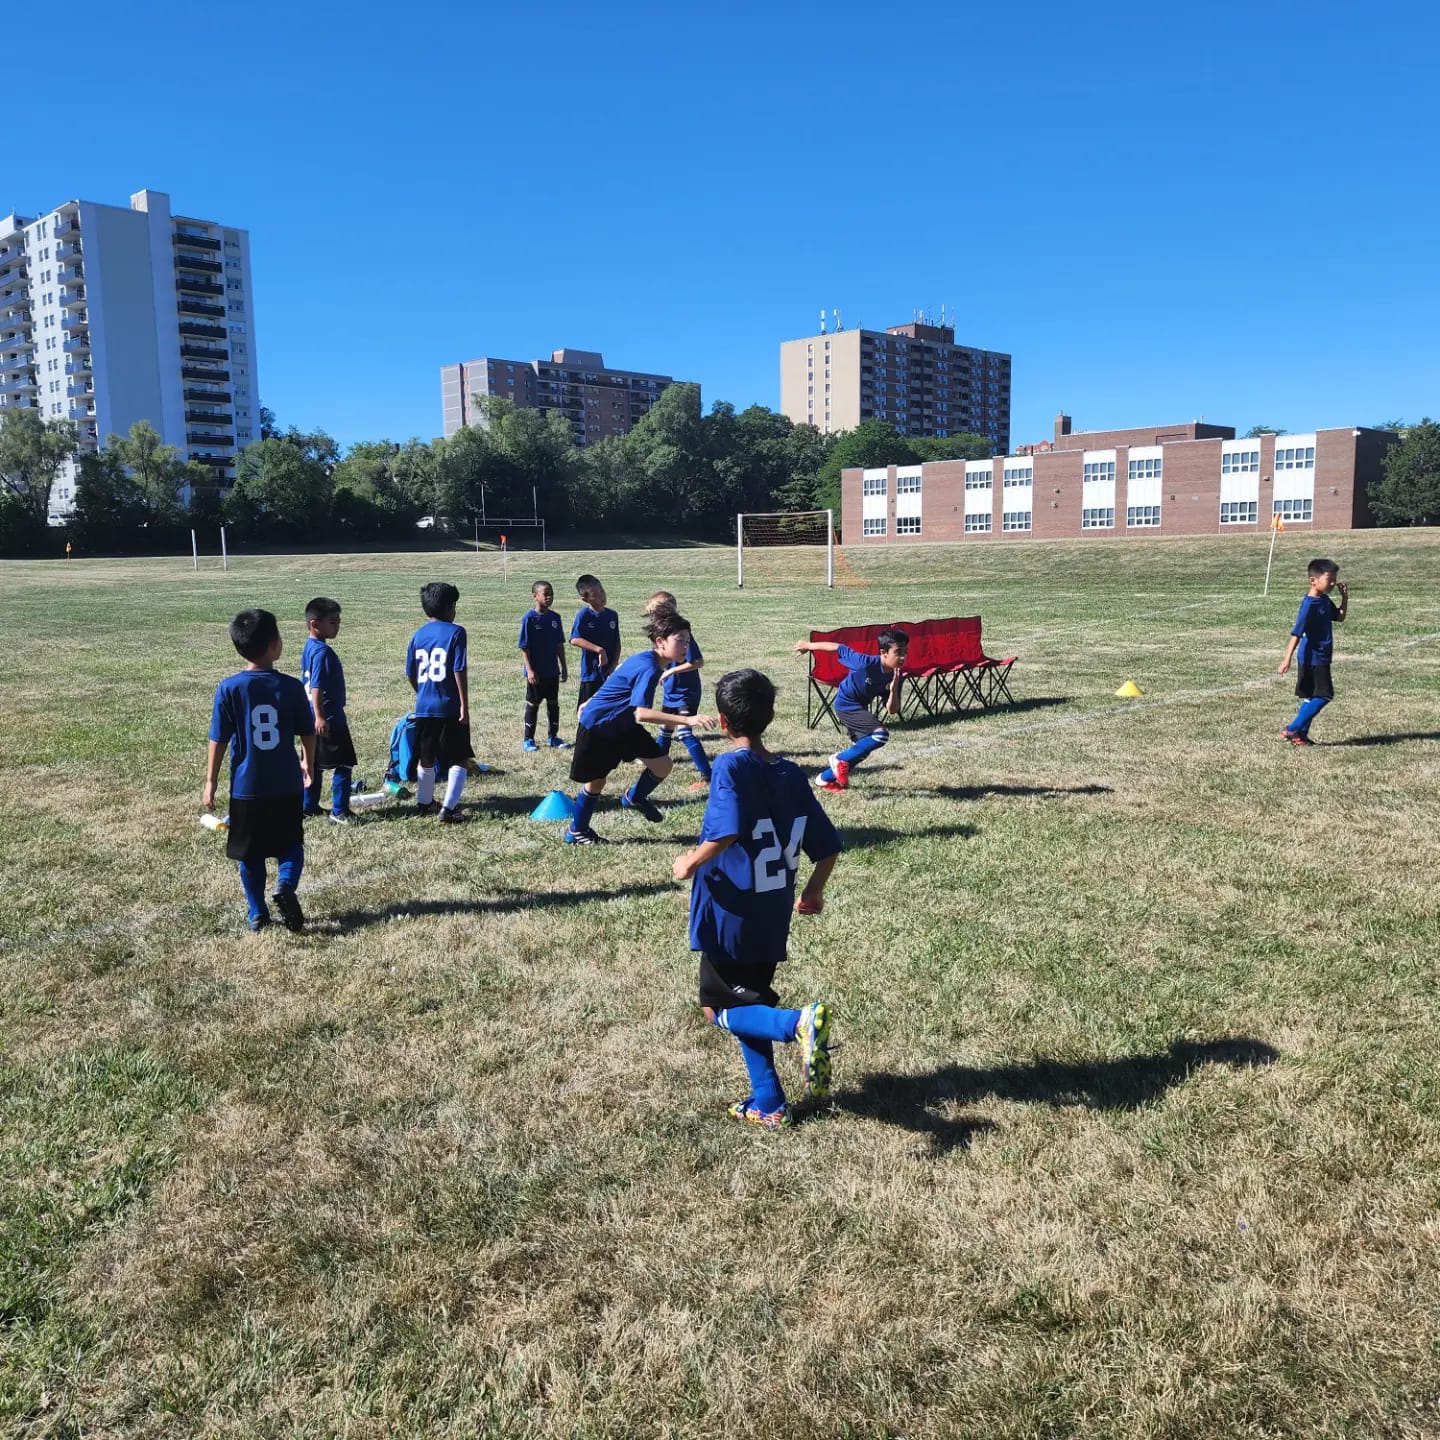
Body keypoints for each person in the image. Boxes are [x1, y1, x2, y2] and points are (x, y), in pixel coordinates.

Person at [672, 667, 840, 1129]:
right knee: (749, 1005)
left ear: (723, 723)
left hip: (731, 915)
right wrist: (813, 890)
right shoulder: (790, 773)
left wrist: (689, 860)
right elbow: (827, 846)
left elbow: (724, 833)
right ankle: (768, 1102)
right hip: (773, 911)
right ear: (770, 716)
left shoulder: (730, 765)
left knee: (719, 1009)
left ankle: (796, 1025)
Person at [202, 608, 316, 934]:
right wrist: (307, 761)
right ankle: (285, 886)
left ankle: (257, 911)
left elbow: (218, 738)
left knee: (249, 855)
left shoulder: (229, 688)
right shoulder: (291, 687)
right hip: (285, 783)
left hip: (246, 786)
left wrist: (210, 781)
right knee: (290, 844)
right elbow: (307, 730)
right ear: (274, 646)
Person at [564, 607, 716, 845]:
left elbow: (620, 679)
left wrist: (592, 699)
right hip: (600, 727)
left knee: (663, 765)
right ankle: (577, 830)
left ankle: (634, 798)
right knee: (597, 781)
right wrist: (687, 720)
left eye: (687, 641)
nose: (685, 646)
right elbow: (642, 713)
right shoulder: (650, 666)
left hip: (623, 724)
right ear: (660, 642)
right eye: (680, 641)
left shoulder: (651, 659)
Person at [792, 629, 909, 790]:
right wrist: (808, 645)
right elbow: (839, 648)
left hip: (860, 707)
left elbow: (892, 710)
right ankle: (839, 759)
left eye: (905, 652)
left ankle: (824, 779)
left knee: (863, 748)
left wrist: (894, 689)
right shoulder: (865, 662)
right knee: (880, 735)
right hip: (846, 703)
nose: (903, 657)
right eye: (898, 652)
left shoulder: (896, 675)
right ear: (884, 653)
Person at [405, 582, 472, 823]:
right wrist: (464, 704)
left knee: (427, 757)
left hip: (424, 706)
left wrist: (421, 692)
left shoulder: (418, 634)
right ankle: (449, 809)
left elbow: (410, 672)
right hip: (449, 705)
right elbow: (459, 669)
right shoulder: (456, 632)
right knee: (459, 757)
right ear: (449, 607)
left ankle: (424, 803)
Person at [646, 589, 712, 790]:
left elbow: (698, 662)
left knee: (684, 732)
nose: (652, 617)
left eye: (654, 613)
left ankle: (708, 775)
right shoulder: (664, 633)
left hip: (686, 693)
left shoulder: (682, 634)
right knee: (665, 729)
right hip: (671, 693)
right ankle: (657, 766)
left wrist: (669, 673)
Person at [1278, 558, 1348, 746]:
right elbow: (1296, 633)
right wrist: (1287, 660)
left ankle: (1300, 735)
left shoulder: (1324, 600)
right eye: (1329, 580)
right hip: (1312, 657)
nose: (1332, 584)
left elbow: (1339, 618)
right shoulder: (1309, 605)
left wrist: (1344, 599)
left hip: (1322, 656)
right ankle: (1293, 728)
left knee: (1311, 697)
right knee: (1325, 695)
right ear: (1313, 580)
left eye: (1334, 580)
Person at [300, 597, 358, 823]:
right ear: (315, 624)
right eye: (333, 622)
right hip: (328, 718)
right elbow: (316, 685)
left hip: (310, 718)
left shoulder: (310, 647)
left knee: (314, 763)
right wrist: (321, 715)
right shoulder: (323, 652)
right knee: (343, 763)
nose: (338, 626)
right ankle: (340, 811)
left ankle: (308, 806)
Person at [519, 579, 569, 752]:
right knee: (533, 704)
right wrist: (530, 670)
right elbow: (524, 647)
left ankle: (553, 737)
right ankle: (528, 739)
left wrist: (563, 666)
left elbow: (559, 645)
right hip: (536, 672)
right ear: (535, 596)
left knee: (553, 703)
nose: (549, 597)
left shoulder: (555, 618)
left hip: (551, 670)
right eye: (545, 594)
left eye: (551, 594)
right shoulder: (529, 619)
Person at [570, 573, 620, 711]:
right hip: (591, 674)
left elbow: (617, 644)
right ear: (585, 599)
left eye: (602, 591)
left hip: (608, 674)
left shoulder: (612, 615)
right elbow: (575, 639)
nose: (602, 596)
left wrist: (613, 666)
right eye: (596, 595)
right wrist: (599, 649)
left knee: (608, 711)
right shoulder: (584, 615)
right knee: (587, 711)